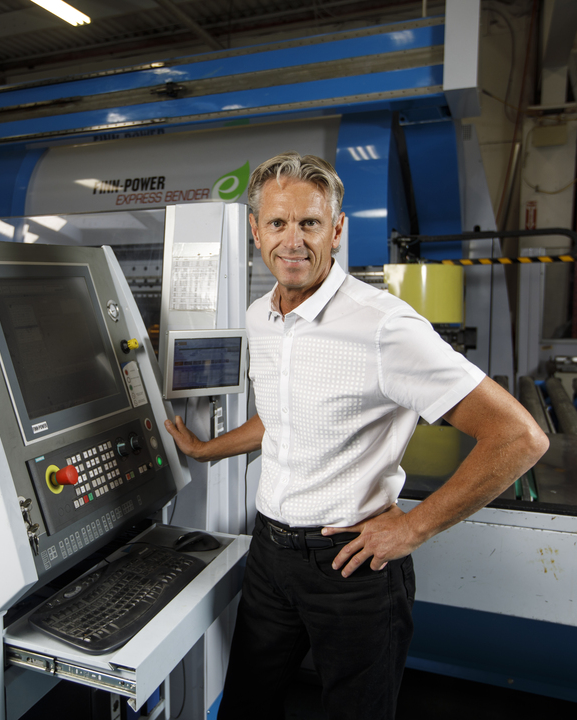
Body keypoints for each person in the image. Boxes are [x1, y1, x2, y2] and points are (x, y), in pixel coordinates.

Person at [163, 151, 548, 719]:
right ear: (256, 231)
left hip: (351, 565)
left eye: (310, 223)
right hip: (270, 555)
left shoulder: (384, 325)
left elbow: (519, 437)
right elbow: (281, 417)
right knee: (245, 706)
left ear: (337, 230)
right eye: (278, 223)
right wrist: (204, 450)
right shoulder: (259, 317)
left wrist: (413, 527)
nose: (293, 240)